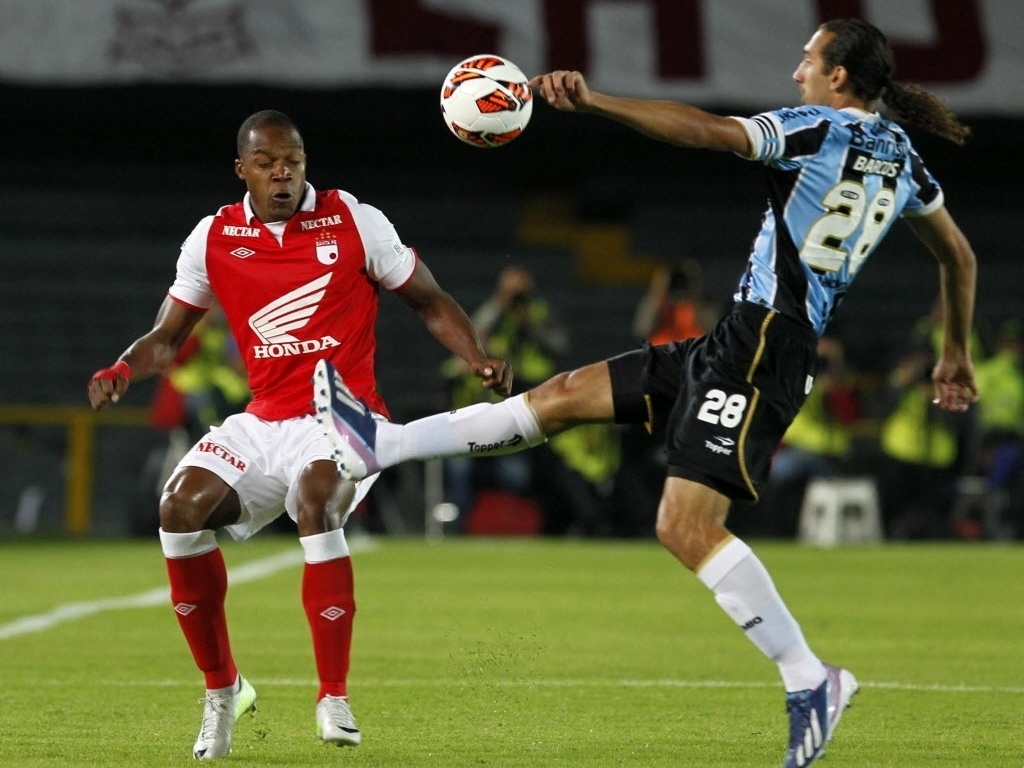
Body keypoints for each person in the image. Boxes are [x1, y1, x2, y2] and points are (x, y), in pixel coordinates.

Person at [316, 18, 979, 767]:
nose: (796, 73)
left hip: (763, 348)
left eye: (807, 61)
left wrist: (595, 102)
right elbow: (958, 254)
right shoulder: (903, 158)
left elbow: (705, 131)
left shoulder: (817, 128)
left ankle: (809, 678)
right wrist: (953, 350)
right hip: (739, 340)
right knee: (565, 395)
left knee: (685, 526)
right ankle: (386, 443)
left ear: (838, 78)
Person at [86, 110, 511, 760]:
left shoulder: (354, 220)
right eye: (267, 163)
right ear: (243, 169)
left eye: (294, 160)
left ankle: (333, 695)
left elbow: (428, 300)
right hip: (265, 419)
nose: (283, 173)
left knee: (315, 499)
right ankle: (222, 690)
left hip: (346, 417)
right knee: (177, 512)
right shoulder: (214, 236)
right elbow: (166, 340)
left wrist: (476, 354)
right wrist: (122, 368)